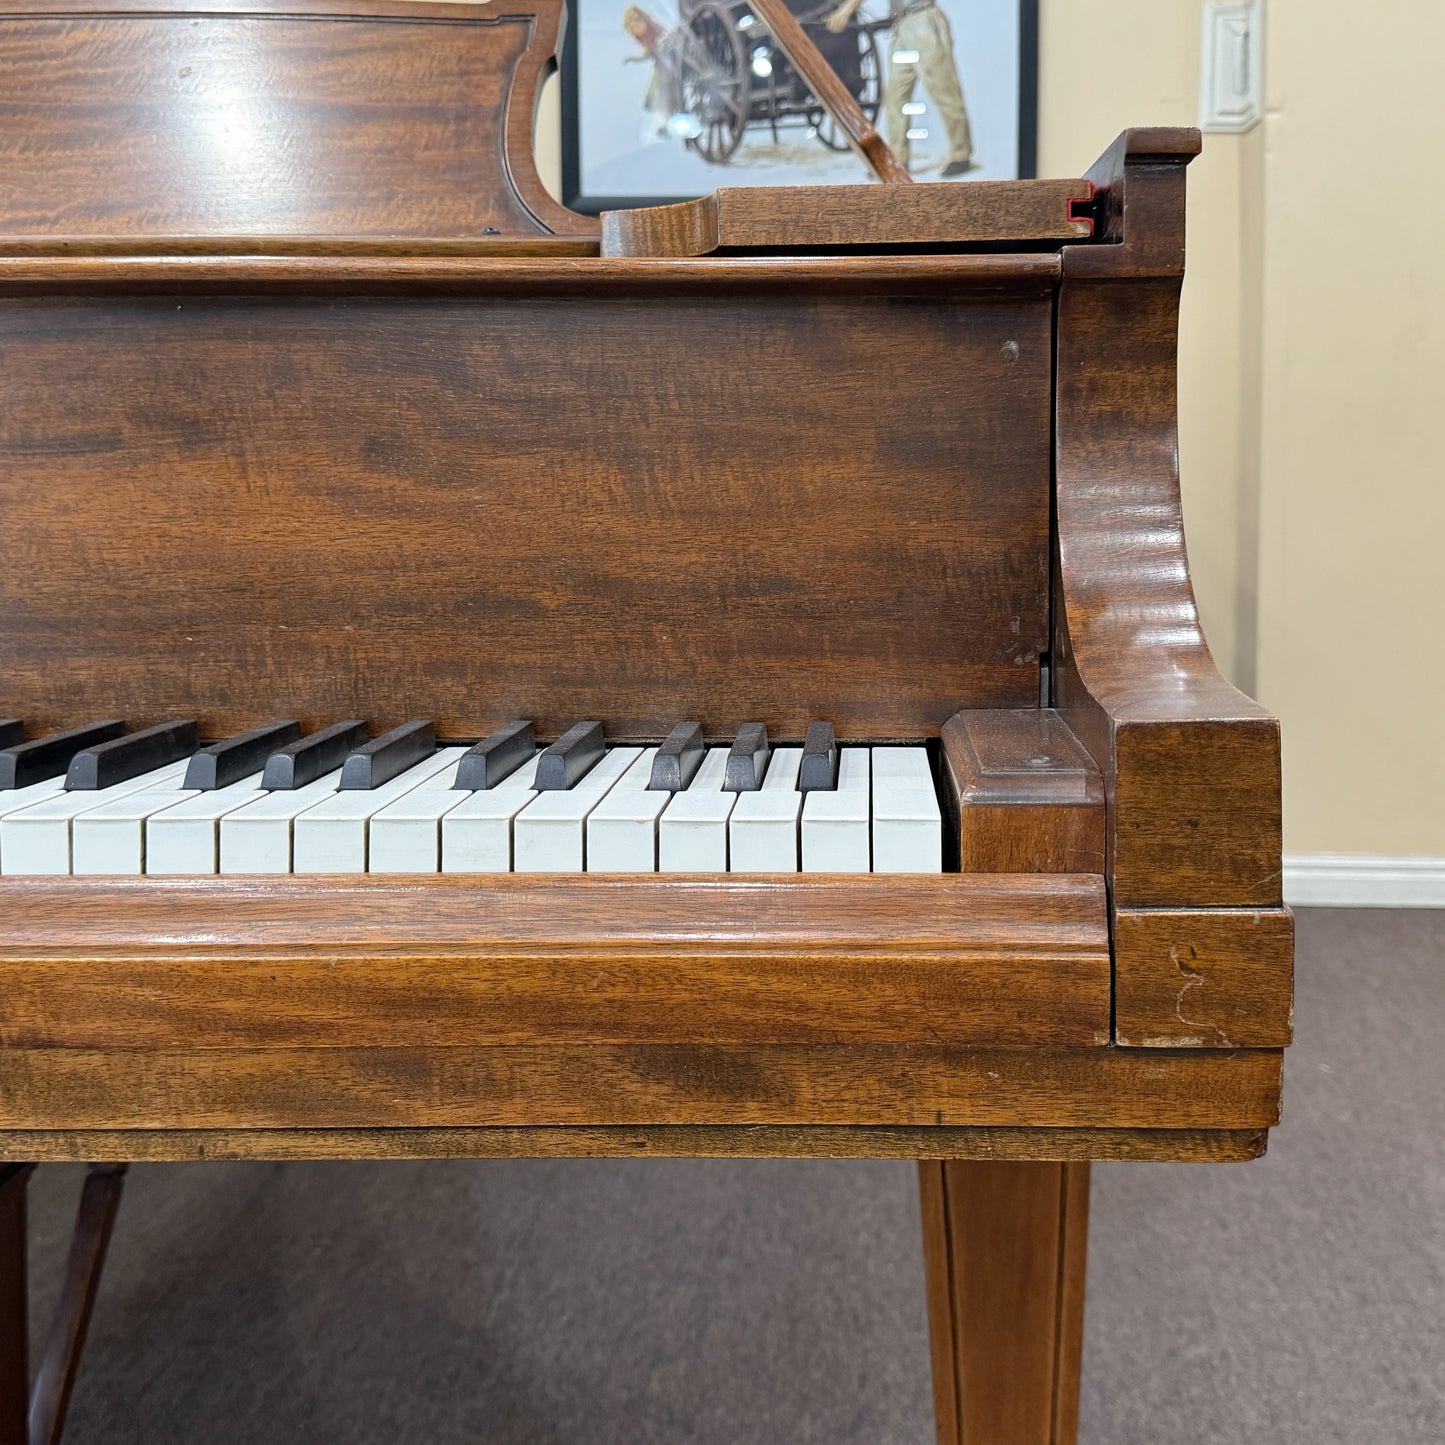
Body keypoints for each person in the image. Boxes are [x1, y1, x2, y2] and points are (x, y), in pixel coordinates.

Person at [826, 0, 976, 176]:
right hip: (903, 23)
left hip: (923, 22)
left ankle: (961, 154)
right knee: (895, 95)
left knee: (944, 90)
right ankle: (898, 157)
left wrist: (845, 11)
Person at [623, 5, 690, 144]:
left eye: (637, 23)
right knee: (660, 93)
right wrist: (634, 58)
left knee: (664, 91)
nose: (636, 28)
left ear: (643, 20)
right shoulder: (640, 36)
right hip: (662, 66)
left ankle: (670, 121)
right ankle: (667, 121)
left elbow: (665, 43)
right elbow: (649, 52)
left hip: (669, 62)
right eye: (633, 26)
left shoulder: (653, 27)